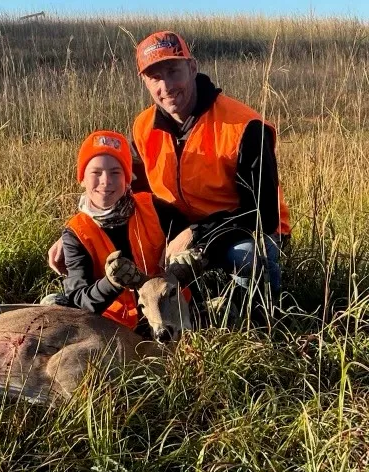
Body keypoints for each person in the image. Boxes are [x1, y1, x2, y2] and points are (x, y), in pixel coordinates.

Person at [49, 31, 291, 313]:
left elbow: (262, 214)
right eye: (154, 77)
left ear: (192, 67)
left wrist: (197, 234)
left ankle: (259, 318)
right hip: (174, 229)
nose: (166, 86)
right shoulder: (143, 126)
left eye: (173, 71)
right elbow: (125, 193)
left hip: (240, 231)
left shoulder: (244, 126)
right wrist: (80, 231)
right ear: (144, 82)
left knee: (246, 255)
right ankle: (195, 305)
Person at [55, 129, 188, 331]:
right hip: (115, 329)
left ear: (128, 178)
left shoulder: (154, 208)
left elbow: (196, 233)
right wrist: (110, 283)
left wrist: (190, 239)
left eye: (116, 172)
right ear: (82, 178)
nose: (106, 181)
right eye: (96, 172)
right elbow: (77, 300)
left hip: (171, 319)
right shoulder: (77, 233)